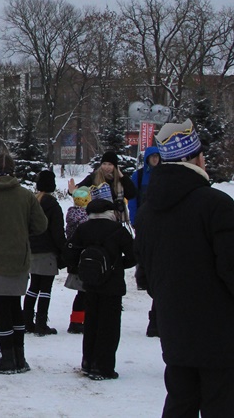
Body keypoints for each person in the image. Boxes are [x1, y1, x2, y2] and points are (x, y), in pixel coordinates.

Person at [135, 120, 234, 416]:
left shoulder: (149, 211)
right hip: (221, 337)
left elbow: (149, 277)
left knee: (180, 404)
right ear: (198, 157)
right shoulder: (216, 205)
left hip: (175, 332)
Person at [0, 153, 47, 374]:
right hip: (20, 258)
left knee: (1, 309)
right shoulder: (26, 195)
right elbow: (41, 225)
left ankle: (7, 357)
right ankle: (19, 356)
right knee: (15, 307)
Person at [65, 194, 135, 380]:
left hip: (90, 284)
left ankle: (87, 362)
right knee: (109, 326)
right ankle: (103, 366)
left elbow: (70, 254)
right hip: (112, 285)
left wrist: (82, 270)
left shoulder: (83, 228)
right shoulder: (117, 230)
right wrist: (117, 265)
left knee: (91, 324)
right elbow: (134, 255)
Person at [23, 170, 67, 336]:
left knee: (33, 287)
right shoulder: (53, 206)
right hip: (47, 251)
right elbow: (57, 232)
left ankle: (27, 320)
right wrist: (64, 250)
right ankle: (41, 323)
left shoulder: (32, 202)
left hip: (31, 251)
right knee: (45, 289)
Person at [128, 146, 161, 336]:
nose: (155, 160)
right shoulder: (139, 176)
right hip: (143, 220)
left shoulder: (164, 174)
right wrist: (134, 218)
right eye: (152, 157)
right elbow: (132, 199)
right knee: (142, 251)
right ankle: (143, 275)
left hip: (158, 222)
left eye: (157, 157)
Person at [69, 150, 135, 224]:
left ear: (115, 166)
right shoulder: (93, 177)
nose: (106, 167)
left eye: (110, 164)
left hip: (115, 219)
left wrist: (122, 177)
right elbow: (80, 191)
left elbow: (132, 194)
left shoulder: (119, 180)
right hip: (96, 218)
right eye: (104, 164)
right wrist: (72, 191)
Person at [64, 186, 91, 334]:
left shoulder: (71, 215)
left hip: (74, 256)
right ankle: (80, 321)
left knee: (82, 293)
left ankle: (76, 320)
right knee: (85, 292)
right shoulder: (86, 218)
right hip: (84, 257)